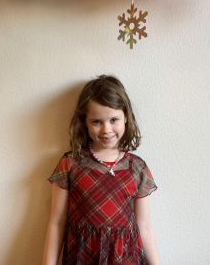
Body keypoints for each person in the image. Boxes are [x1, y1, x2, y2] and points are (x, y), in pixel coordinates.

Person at [42, 75, 160, 265]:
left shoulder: (137, 168)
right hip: (82, 257)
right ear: (85, 122)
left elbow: (144, 227)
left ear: (126, 118)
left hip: (125, 259)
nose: (106, 129)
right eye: (96, 121)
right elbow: (57, 222)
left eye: (114, 119)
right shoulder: (70, 165)